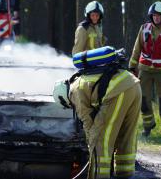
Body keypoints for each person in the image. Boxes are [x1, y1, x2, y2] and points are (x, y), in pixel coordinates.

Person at [53, 47, 141, 179]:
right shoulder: (81, 79)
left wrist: (91, 143)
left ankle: (99, 176)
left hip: (117, 91)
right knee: (125, 133)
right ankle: (125, 173)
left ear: (63, 97)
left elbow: (89, 123)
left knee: (100, 139)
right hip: (133, 84)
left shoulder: (74, 91)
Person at [128, 1, 161, 139]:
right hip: (144, 70)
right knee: (143, 100)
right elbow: (136, 48)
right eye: (154, 15)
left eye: (158, 15)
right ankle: (148, 126)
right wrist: (132, 67)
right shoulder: (144, 28)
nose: (156, 18)